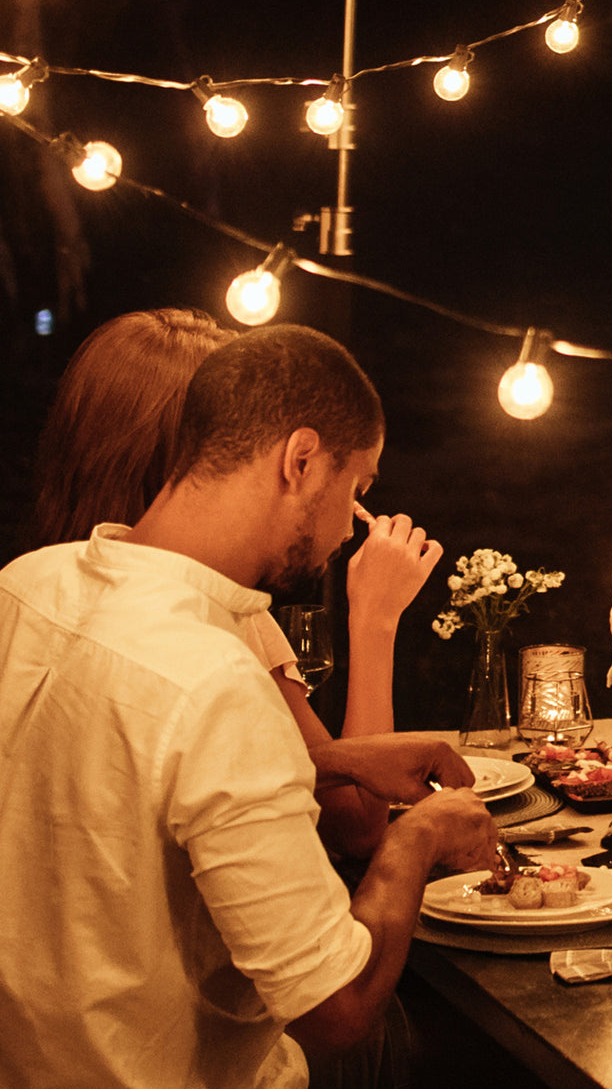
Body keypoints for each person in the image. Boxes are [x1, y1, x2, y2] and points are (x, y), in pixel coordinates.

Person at [0, 324, 554, 1089]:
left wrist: (332, 758)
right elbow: (333, 1011)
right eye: (356, 489)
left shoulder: (31, 585)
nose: (349, 527)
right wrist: (418, 843)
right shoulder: (212, 676)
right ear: (300, 460)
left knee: (502, 1067)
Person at [27, 308, 450, 857]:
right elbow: (352, 825)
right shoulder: (216, 629)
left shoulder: (38, 582)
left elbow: (141, 781)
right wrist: (375, 618)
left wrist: (337, 760)